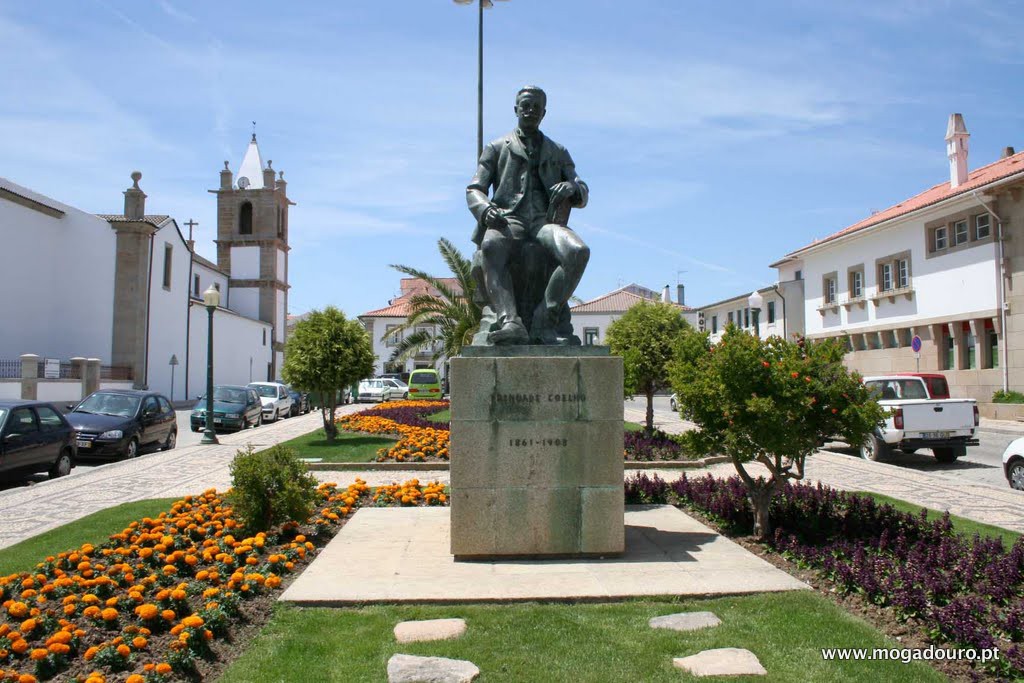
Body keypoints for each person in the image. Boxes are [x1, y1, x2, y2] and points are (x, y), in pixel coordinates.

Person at [467, 85, 590, 345]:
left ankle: (545, 319)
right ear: (516, 109)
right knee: (490, 245)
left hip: (544, 223)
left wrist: (572, 187)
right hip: (508, 219)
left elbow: (582, 189)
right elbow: (474, 189)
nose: (531, 110)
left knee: (578, 251)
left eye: (537, 107)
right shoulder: (497, 146)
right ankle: (510, 321)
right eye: (526, 105)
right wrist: (486, 209)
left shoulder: (557, 151)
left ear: (544, 112)